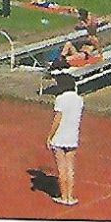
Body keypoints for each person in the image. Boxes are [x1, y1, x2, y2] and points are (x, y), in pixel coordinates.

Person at [46, 73, 83, 206]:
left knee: (62, 169)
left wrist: (50, 136)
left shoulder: (60, 99)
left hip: (60, 136)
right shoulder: (79, 99)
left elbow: (58, 119)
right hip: (73, 136)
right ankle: (70, 197)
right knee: (70, 168)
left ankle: (64, 196)